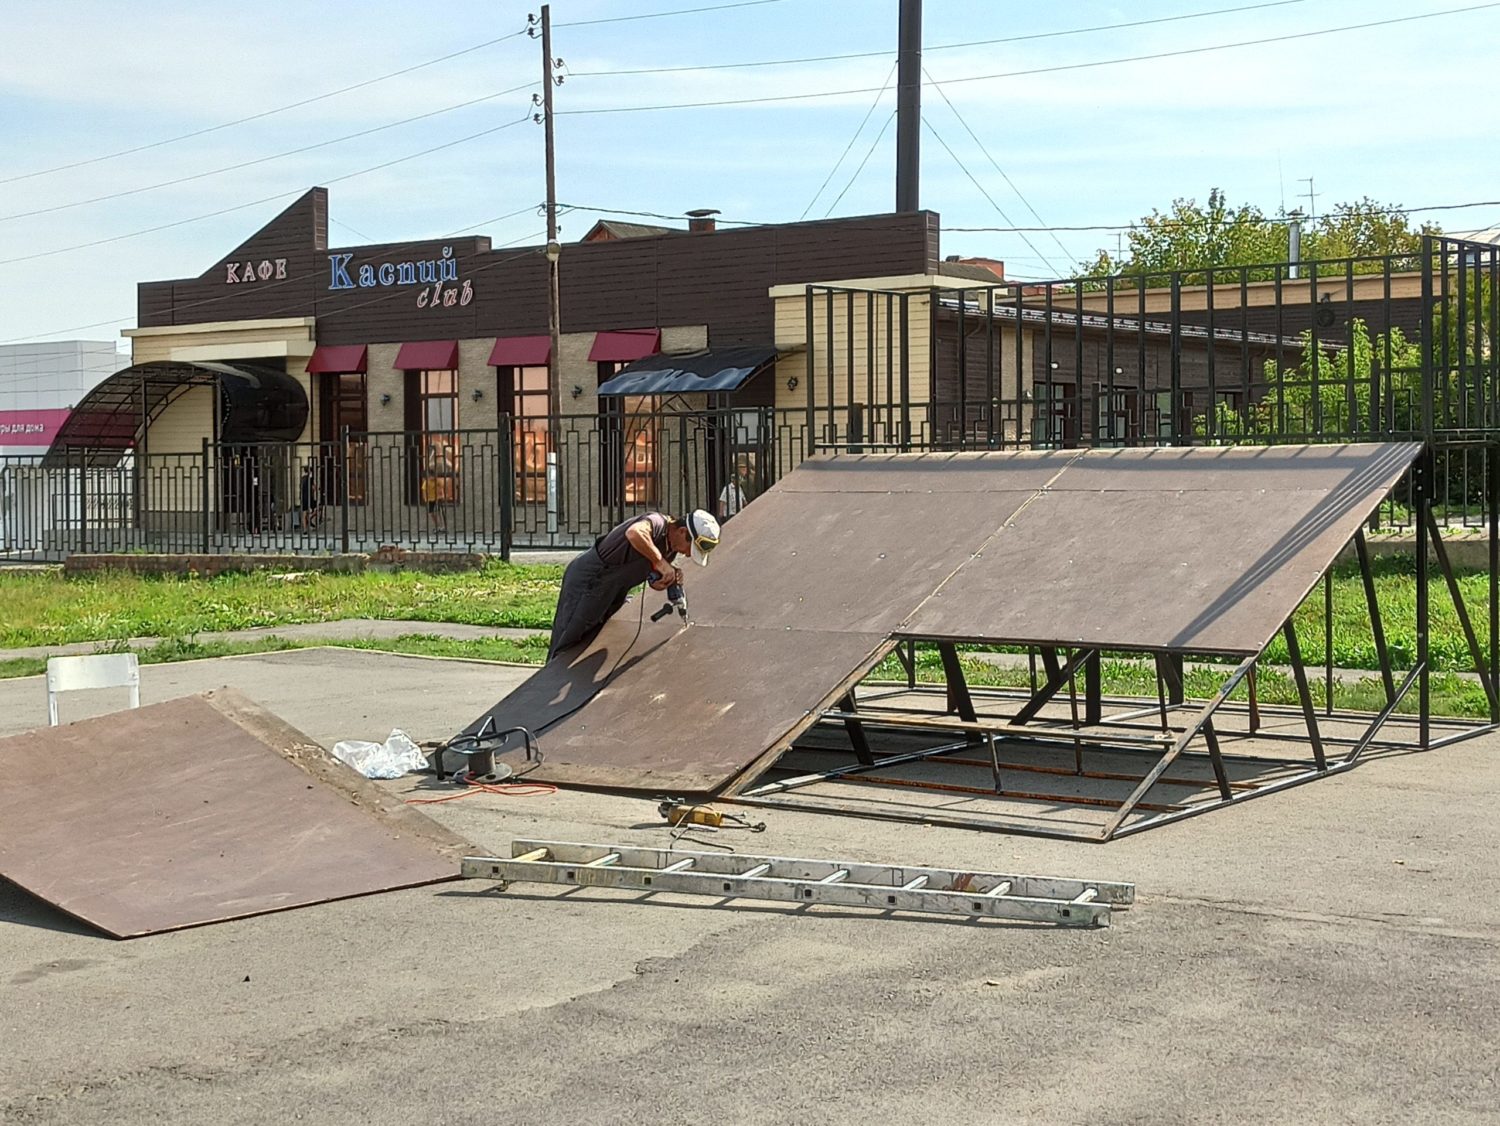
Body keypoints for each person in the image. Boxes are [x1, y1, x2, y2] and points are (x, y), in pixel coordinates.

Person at [549, 508, 721, 660]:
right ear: (682, 531)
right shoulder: (657, 523)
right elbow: (634, 533)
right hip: (588, 581)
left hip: (613, 591)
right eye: (689, 549)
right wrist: (660, 562)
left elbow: (648, 572)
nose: (688, 555)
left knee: (590, 640)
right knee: (567, 642)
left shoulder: (670, 550)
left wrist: (661, 580)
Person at [298, 463, 323, 531]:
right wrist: (318, 488)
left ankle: (305, 530)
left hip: (303, 497)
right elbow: (314, 488)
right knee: (319, 507)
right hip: (309, 497)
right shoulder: (310, 479)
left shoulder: (302, 479)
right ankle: (311, 517)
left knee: (304, 513)